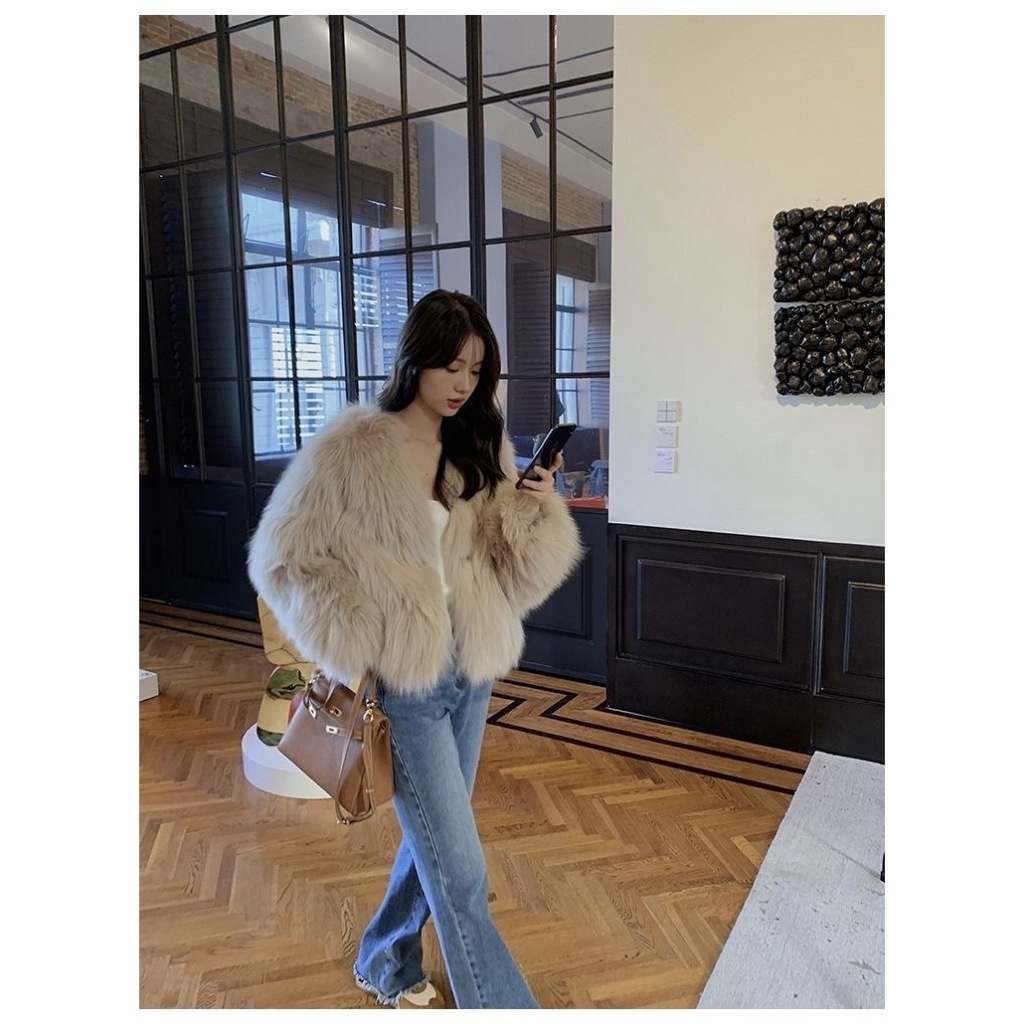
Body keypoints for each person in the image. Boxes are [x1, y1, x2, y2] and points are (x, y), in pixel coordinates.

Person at [247, 289, 582, 1009]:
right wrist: (363, 639)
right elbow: (281, 559)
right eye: (451, 366)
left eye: (476, 370)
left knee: (432, 835)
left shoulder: (478, 446)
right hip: (408, 685)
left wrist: (532, 506)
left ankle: (385, 956)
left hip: (471, 669)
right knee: (460, 870)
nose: (464, 384)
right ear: (415, 360)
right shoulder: (350, 451)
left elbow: (512, 568)